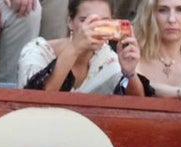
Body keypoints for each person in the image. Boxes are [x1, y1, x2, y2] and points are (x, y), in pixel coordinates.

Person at [18, 0, 147, 94]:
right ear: (70, 22)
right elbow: (35, 102)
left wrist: (129, 74)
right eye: (85, 20)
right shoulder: (37, 52)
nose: (94, 28)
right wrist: (75, 48)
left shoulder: (107, 58)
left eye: (103, 21)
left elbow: (133, 100)